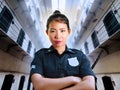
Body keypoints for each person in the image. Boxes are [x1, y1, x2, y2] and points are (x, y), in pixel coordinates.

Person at [30, 10, 96, 90]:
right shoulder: (40, 55)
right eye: (53, 31)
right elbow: (38, 85)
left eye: (62, 31)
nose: (58, 36)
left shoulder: (79, 56)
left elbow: (89, 85)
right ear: (47, 32)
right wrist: (73, 79)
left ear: (68, 32)